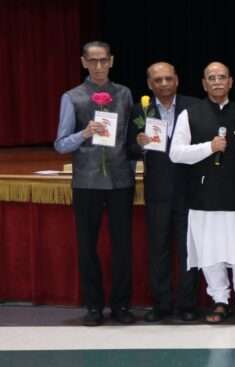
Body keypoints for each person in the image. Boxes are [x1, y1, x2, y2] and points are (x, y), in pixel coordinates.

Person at [169, 62, 235, 326]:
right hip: (203, 195)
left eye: (222, 77)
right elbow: (176, 153)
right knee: (210, 252)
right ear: (204, 83)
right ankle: (219, 300)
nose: (217, 82)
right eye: (212, 78)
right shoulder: (190, 114)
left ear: (231, 82)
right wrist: (209, 147)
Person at [54, 41, 136, 326]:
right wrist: (84, 133)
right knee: (87, 246)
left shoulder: (124, 94)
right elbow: (60, 145)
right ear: (84, 62)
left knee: (122, 247)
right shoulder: (72, 97)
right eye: (93, 61)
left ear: (112, 61)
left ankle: (121, 305)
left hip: (120, 181)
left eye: (104, 60)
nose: (99, 66)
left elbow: (129, 137)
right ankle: (92, 306)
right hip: (87, 182)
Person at [129, 62, 201, 323]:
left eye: (168, 78)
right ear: (150, 84)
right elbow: (128, 148)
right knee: (158, 249)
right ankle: (161, 304)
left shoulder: (193, 106)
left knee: (187, 250)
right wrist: (138, 145)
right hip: (157, 190)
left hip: (189, 190)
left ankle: (188, 304)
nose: (163, 84)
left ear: (177, 80)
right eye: (157, 80)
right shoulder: (141, 110)